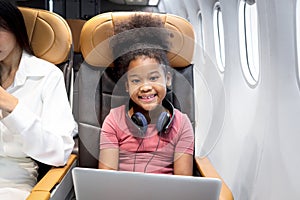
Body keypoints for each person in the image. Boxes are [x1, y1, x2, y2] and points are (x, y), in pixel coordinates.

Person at [98, 13, 194, 175]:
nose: (145, 87)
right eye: (136, 80)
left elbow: (183, 182)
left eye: (154, 77)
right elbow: (106, 178)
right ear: (127, 86)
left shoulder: (182, 124)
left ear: (168, 79)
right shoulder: (114, 120)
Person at [0, 0, 77, 199]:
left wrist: (12, 106)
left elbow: (59, 152)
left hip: (11, 184)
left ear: (15, 29)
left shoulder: (47, 76)